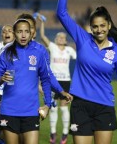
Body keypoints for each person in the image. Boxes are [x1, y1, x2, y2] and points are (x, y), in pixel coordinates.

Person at [56, 0, 117, 144]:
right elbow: (61, 14)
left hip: (104, 107)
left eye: (102, 26)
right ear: (90, 28)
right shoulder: (83, 39)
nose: (99, 30)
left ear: (108, 26)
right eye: (95, 26)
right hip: (80, 106)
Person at [0, 18, 51, 144]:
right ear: (14, 33)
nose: (23, 35)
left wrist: (47, 105)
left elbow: (45, 80)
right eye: (19, 32)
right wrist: (1, 79)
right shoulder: (6, 53)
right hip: (9, 111)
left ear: (31, 33)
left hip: (31, 112)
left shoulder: (38, 53)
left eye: (26, 32)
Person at [38, 13, 76, 144]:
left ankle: (65, 133)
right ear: (55, 39)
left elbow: (80, 57)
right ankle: (53, 133)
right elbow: (42, 36)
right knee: (53, 107)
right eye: (58, 36)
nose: (60, 38)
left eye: (63, 37)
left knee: (64, 107)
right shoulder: (52, 47)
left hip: (65, 81)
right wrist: (42, 23)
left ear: (66, 40)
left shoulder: (70, 50)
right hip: (53, 80)